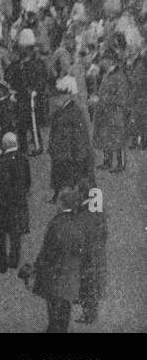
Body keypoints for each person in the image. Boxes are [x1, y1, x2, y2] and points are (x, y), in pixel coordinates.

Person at [27, 188, 86, 333]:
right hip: (71, 275)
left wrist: (36, 268)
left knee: (54, 310)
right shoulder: (78, 223)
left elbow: (47, 251)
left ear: (61, 203)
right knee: (65, 310)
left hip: (55, 275)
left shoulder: (56, 224)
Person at [0, 132, 30, 273]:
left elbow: (0, 186)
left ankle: (1, 264)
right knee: (16, 233)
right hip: (20, 202)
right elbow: (28, 182)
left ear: (4, 145)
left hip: (3, 205)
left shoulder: (4, 163)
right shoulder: (24, 159)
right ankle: (14, 260)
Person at [48, 76, 95, 203]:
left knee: (72, 179)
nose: (56, 99)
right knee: (59, 176)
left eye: (59, 96)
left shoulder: (75, 112)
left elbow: (80, 137)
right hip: (60, 152)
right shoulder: (60, 111)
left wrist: (78, 155)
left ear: (67, 96)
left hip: (69, 154)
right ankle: (58, 196)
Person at [91, 48, 128, 173]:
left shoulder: (119, 76)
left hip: (116, 112)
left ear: (110, 61)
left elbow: (122, 98)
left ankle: (120, 164)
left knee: (118, 138)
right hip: (106, 111)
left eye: (104, 59)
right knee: (106, 136)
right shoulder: (106, 74)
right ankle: (107, 161)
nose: (102, 62)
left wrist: (103, 98)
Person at [74, 184, 106, 324]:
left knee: (87, 284)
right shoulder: (97, 211)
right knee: (91, 284)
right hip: (96, 254)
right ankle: (89, 311)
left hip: (87, 255)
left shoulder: (84, 213)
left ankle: (89, 315)